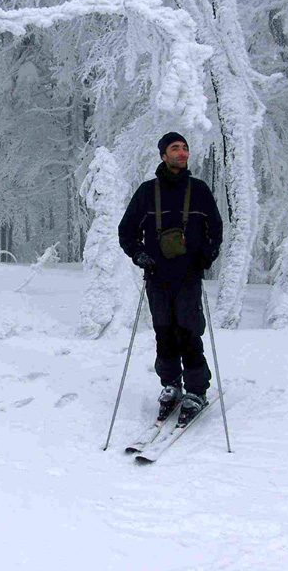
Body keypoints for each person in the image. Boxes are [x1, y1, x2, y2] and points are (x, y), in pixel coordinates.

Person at [118, 132, 223, 427]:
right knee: (164, 333)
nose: (182, 152)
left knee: (189, 332)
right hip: (157, 275)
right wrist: (139, 256)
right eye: (175, 148)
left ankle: (197, 391)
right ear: (163, 155)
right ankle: (171, 384)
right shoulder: (147, 192)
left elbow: (215, 229)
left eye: (185, 148)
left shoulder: (199, 190)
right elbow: (126, 231)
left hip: (189, 276)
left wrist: (207, 256)